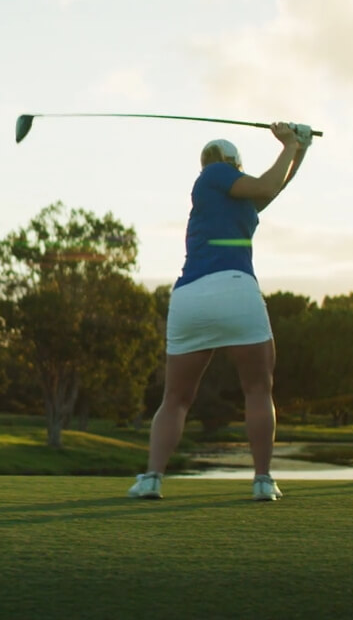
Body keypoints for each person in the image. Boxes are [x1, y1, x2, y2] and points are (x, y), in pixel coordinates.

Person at [129, 121, 311, 502]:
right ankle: (262, 480)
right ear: (234, 165)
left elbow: (273, 185)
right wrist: (289, 144)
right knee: (258, 387)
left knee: (176, 398)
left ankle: (151, 479)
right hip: (233, 288)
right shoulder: (216, 172)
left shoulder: (234, 199)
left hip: (192, 296)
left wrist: (299, 148)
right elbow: (265, 184)